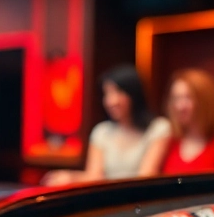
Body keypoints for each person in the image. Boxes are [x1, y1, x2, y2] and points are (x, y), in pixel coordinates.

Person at [43, 65, 171, 186]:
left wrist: (77, 178)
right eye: (107, 94)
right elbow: (93, 176)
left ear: (134, 94)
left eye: (118, 92)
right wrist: (70, 177)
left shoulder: (159, 128)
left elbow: (144, 179)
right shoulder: (101, 132)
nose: (111, 101)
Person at [159, 68, 214, 174]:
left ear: (205, 101)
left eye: (188, 98)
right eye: (176, 98)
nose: (179, 106)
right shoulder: (170, 140)